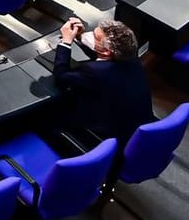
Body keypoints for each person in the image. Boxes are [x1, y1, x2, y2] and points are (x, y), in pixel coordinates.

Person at [53, 17, 154, 148]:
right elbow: (105, 58)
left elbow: (61, 78)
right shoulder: (132, 59)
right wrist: (80, 37)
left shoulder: (94, 72)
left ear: (107, 51)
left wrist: (66, 42)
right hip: (136, 132)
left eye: (94, 36)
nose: (89, 35)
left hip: (105, 139)